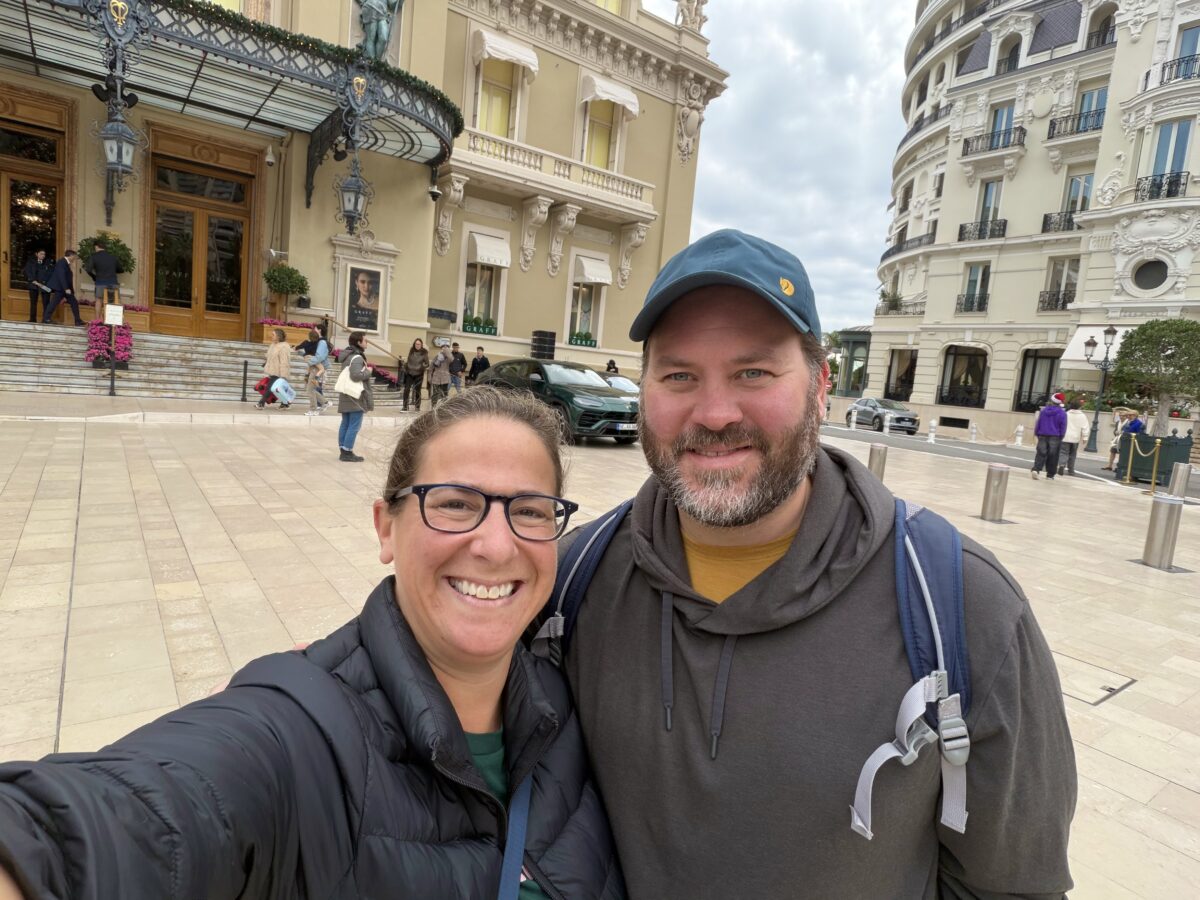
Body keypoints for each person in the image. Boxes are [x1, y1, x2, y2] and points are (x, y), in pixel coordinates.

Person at [555, 229, 1075, 898]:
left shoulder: (965, 608)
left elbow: (1014, 884)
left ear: (821, 385)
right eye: (679, 376)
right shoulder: (573, 580)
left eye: (753, 373)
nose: (715, 414)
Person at [0, 389, 625, 900]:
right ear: (386, 527)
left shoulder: (569, 706)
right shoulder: (297, 732)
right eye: (456, 504)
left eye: (531, 511)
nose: (495, 544)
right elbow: (124, 820)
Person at [336, 331, 374, 462]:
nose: (367, 342)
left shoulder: (347, 355)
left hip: (347, 394)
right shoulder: (357, 357)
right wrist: (368, 372)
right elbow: (356, 376)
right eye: (365, 340)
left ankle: (343, 450)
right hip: (355, 396)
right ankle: (347, 452)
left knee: (345, 423)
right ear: (359, 342)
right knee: (354, 425)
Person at [41, 249, 83, 326]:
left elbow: (67, 278)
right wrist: (66, 288)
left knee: (74, 303)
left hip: (65, 289)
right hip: (61, 288)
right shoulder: (62, 262)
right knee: (53, 303)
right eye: (74, 256)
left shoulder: (66, 263)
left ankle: (78, 321)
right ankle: (46, 319)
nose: (75, 258)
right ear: (71, 256)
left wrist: (71, 290)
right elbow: (62, 276)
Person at [295, 326, 330, 416]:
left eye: (315, 329)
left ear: (319, 330)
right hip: (314, 368)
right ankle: (325, 402)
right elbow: (311, 353)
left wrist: (309, 360)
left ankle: (313, 409)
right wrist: (303, 354)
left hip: (316, 368)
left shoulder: (321, 342)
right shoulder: (317, 342)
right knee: (311, 389)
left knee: (310, 389)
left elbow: (319, 357)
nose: (313, 330)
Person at [1032, 392, 1068, 480]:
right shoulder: (1062, 413)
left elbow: (1039, 422)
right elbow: (1063, 425)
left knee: (1041, 453)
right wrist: (1062, 435)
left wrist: (1037, 432)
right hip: (1055, 436)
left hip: (1043, 434)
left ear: (1051, 400)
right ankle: (1050, 474)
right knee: (1053, 455)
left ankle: (1036, 469)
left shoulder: (1044, 411)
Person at [257, 328, 293, 410]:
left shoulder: (284, 346)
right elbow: (270, 356)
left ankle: (261, 403)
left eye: (273, 335)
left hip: (278, 371)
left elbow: (284, 361)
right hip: (272, 370)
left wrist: (283, 375)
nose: (271, 336)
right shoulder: (273, 345)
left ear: (278, 336)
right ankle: (285, 404)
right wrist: (266, 363)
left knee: (269, 387)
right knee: (277, 389)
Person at [1059, 399, 1090, 476]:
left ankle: (1062, 465)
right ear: (1079, 406)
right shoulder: (1082, 416)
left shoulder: (1066, 414)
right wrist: (1085, 437)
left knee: (1063, 452)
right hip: (1075, 438)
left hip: (1065, 437)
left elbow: (1060, 424)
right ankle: (1071, 470)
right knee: (1073, 454)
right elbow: (1085, 427)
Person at [21, 249, 52, 323]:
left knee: (46, 303)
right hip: (34, 284)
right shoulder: (31, 262)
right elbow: (27, 272)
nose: (43, 256)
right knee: (33, 303)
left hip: (44, 286)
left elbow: (50, 273)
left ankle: (45, 319)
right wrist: (33, 280)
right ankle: (32, 319)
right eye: (41, 254)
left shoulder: (48, 263)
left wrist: (44, 283)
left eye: (44, 254)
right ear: (36, 254)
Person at [402, 337, 429, 411]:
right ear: (414, 344)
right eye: (416, 344)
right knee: (406, 390)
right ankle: (405, 406)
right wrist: (406, 365)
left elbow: (427, 364)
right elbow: (409, 360)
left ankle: (417, 406)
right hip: (409, 373)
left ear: (421, 345)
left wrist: (421, 367)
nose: (417, 345)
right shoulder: (411, 350)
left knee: (417, 391)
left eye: (419, 344)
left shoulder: (424, 352)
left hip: (419, 374)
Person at [429, 341, 452, 407]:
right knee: (435, 393)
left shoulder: (448, 357)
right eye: (443, 348)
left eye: (446, 348)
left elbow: (451, 359)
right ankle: (433, 407)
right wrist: (429, 377)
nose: (444, 349)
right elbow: (431, 367)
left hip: (445, 378)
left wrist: (448, 353)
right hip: (436, 378)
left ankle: (444, 407)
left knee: (444, 394)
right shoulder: (437, 356)